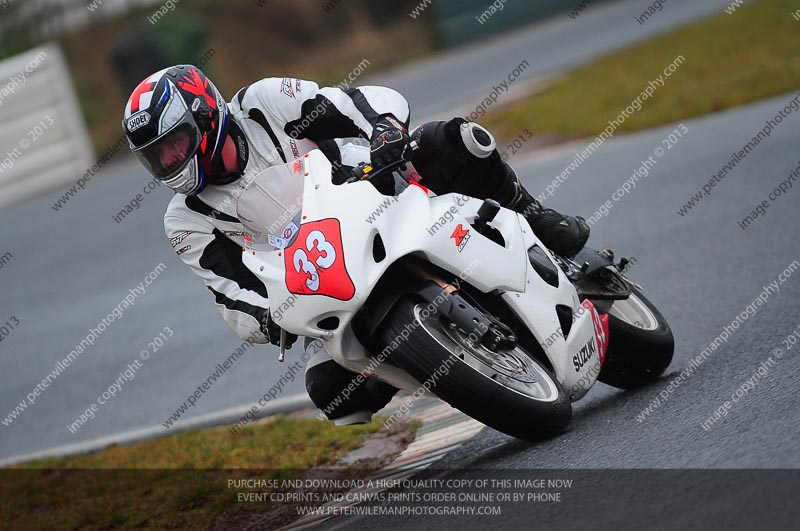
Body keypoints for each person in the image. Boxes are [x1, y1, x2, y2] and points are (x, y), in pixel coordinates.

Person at [123, 64, 589, 425]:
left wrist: (383, 131)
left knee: (453, 140)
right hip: (320, 281)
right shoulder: (186, 219)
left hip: (375, 189)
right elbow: (230, 294)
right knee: (331, 393)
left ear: (205, 116)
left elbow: (354, 103)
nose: (169, 161)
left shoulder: (262, 103)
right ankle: (422, 358)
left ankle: (535, 216)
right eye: (156, 157)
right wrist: (267, 319)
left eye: (174, 144)